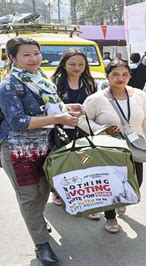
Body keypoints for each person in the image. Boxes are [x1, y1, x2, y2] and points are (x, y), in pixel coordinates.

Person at [0, 37, 82, 264]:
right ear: (12, 58)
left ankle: (38, 225)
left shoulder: (41, 79)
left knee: (43, 190)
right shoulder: (9, 85)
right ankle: (41, 244)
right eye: (26, 55)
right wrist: (58, 118)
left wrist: (66, 108)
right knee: (29, 197)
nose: (33, 59)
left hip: (46, 145)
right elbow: (19, 121)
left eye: (36, 53)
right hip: (17, 150)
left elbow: (50, 106)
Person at [79, 60, 146, 234]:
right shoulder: (96, 99)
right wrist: (101, 129)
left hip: (134, 145)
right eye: (115, 74)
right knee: (111, 184)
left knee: (137, 181)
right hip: (108, 148)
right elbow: (81, 119)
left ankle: (122, 201)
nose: (120, 78)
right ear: (108, 76)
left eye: (124, 74)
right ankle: (110, 215)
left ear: (130, 76)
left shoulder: (139, 95)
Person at [50, 48, 100, 220]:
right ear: (63, 64)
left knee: (85, 162)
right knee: (64, 163)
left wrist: (85, 113)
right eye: (72, 64)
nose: (77, 67)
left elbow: (95, 106)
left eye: (81, 64)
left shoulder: (90, 83)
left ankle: (87, 202)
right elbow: (49, 107)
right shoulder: (53, 83)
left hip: (84, 129)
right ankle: (59, 192)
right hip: (61, 131)